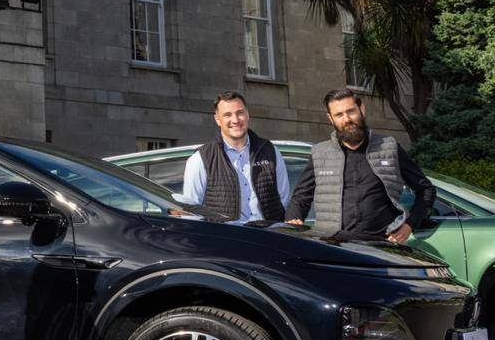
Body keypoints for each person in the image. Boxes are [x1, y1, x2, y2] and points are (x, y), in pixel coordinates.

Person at [285, 87, 436, 244]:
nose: (346, 119)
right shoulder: (320, 153)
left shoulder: (388, 148)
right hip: (332, 246)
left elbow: (426, 189)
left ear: (361, 109)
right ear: (331, 119)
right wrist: (293, 219)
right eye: (339, 115)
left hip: (381, 246)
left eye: (351, 111)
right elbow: (301, 197)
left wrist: (409, 225)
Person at [180, 90, 290, 223]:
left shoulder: (270, 151)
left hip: (267, 239)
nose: (235, 120)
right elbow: (191, 211)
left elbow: (284, 199)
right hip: (226, 240)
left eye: (240, 113)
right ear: (218, 120)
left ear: (248, 114)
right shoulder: (201, 159)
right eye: (227, 115)